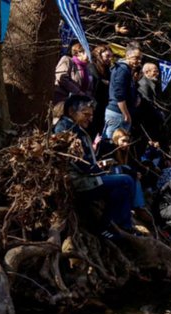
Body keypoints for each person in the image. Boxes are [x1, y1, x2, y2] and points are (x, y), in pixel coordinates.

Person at [54, 95, 135, 238]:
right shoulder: (65, 129)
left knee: (119, 190)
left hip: (86, 177)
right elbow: (78, 162)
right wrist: (96, 169)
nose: (90, 119)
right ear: (72, 112)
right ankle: (123, 226)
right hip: (79, 181)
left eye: (91, 115)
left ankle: (107, 228)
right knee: (126, 181)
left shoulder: (74, 128)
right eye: (86, 114)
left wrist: (98, 167)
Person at [104, 43, 143, 138]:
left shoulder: (127, 70)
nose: (138, 61)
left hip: (121, 113)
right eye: (136, 58)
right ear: (127, 55)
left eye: (140, 58)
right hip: (118, 114)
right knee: (112, 145)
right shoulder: (122, 69)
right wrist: (126, 114)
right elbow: (119, 94)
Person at [136, 62, 165, 146]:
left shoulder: (154, 84)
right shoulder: (143, 84)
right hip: (145, 122)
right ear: (147, 72)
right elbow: (146, 104)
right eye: (154, 71)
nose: (157, 74)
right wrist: (159, 114)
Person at [90, 45, 114, 137]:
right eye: (107, 56)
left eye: (111, 57)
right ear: (98, 55)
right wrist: (103, 82)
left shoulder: (108, 70)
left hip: (104, 104)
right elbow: (97, 81)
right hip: (93, 103)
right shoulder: (92, 66)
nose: (109, 59)